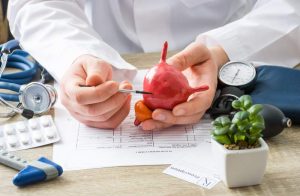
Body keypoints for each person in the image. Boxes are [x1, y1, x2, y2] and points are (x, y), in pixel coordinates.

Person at [7, 0, 300, 130]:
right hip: (101, 57)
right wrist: (75, 55)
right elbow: (36, 3)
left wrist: (222, 51)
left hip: (232, 67)